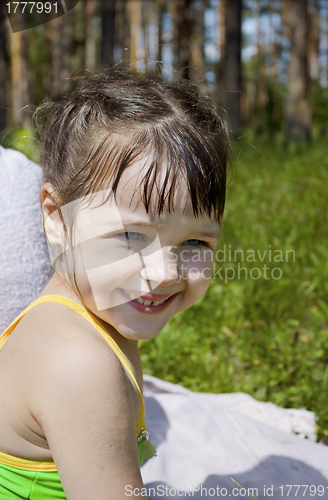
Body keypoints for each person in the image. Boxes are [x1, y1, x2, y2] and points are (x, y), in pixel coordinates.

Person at [0, 70, 229, 499]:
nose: (164, 273)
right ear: (55, 215)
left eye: (195, 241)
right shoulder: (78, 364)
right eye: (131, 234)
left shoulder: (93, 319)